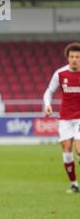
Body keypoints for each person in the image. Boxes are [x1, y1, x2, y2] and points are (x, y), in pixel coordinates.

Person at [44, 42, 80, 193]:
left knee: (79, 150)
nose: (74, 59)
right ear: (67, 58)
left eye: (77, 57)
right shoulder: (60, 73)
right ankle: (74, 184)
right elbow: (49, 91)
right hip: (65, 118)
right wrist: (47, 104)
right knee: (66, 149)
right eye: (72, 56)